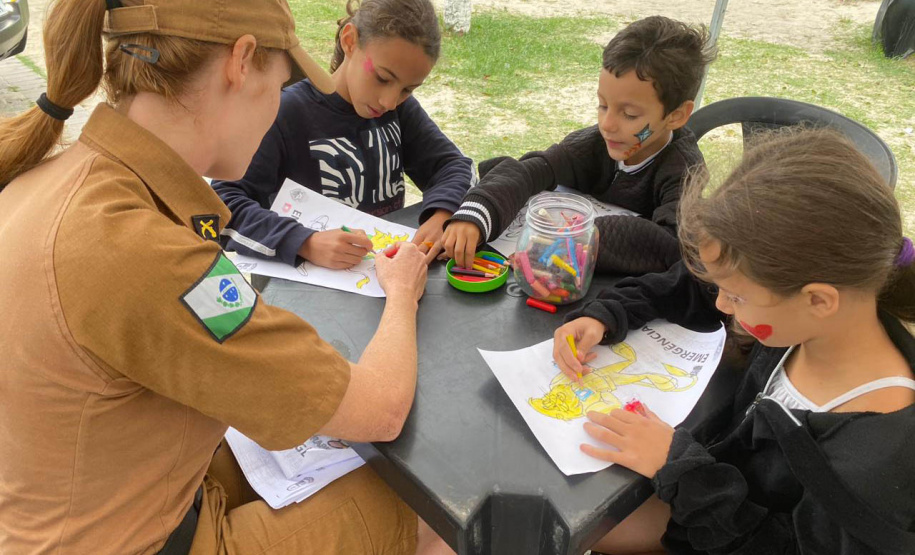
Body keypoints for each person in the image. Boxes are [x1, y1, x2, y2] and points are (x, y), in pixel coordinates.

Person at [0, 1, 451, 554]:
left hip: (110, 495)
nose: (278, 104)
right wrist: (401, 292)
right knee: (433, 509)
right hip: (144, 538)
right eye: (279, 84)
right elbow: (381, 409)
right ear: (241, 62)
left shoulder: (60, 179)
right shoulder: (143, 249)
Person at [552, 128, 915, 554]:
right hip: (702, 491)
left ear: (818, 300)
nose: (722, 303)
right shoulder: (806, 318)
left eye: (737, 297)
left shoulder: (876, 462)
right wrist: (605, 315)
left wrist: (681, 469)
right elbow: (689, 286)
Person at [212, 0, 475, 269]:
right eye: (382, 78)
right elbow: (221, 207)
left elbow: (454, 166)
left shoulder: (399, 110)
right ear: (350, 41)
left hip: (382, 278)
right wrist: (304, 242)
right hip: (303, 286)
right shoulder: (285, 113)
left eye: (408, 89)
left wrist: (442, 213)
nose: (389, 101)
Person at [442, 16, 716, 273]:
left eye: (630, 114)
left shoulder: (684, 172)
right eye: (603, 105)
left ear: (676, 115)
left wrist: (573, 241)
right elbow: (531, 170)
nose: (607, 124)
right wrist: (476, 213)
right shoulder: (594, 143)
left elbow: (674, 243)